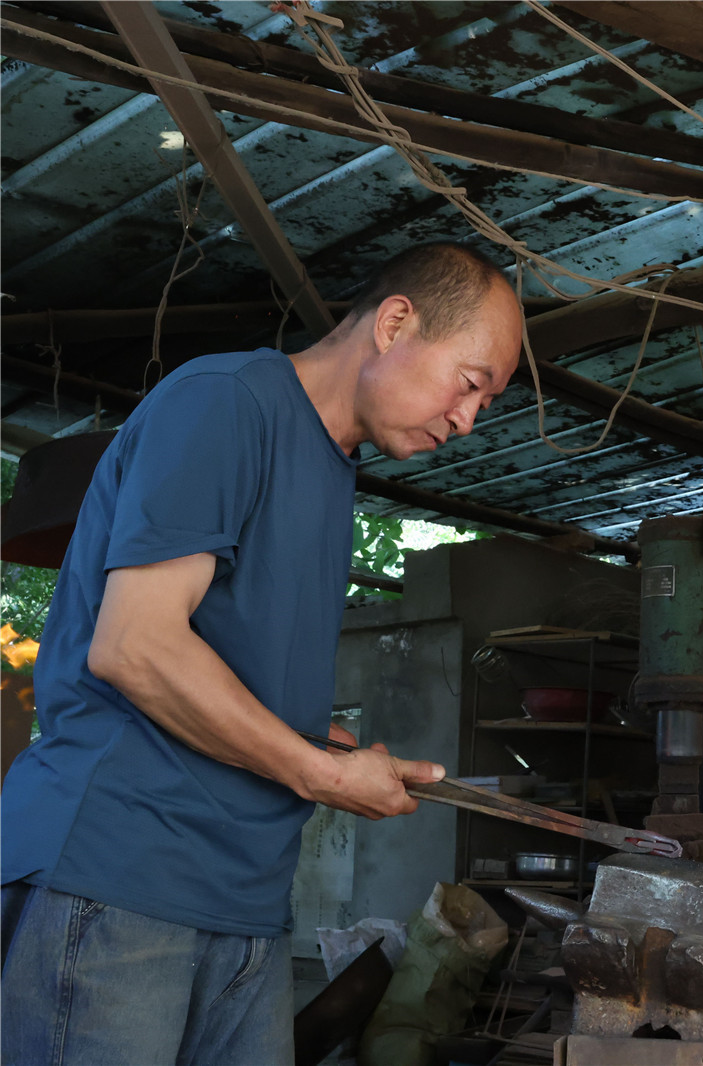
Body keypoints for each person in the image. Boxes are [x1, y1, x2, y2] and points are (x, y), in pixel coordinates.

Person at [0, 241, 525, 1065]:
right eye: (470, 385)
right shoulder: (225, 402)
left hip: (244, 899)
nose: (467, 420)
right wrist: (315, 772)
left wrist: (317, 743)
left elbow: (229, 672)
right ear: (394, 323)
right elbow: (136, 647)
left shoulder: (333, 467)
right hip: (124, 877)